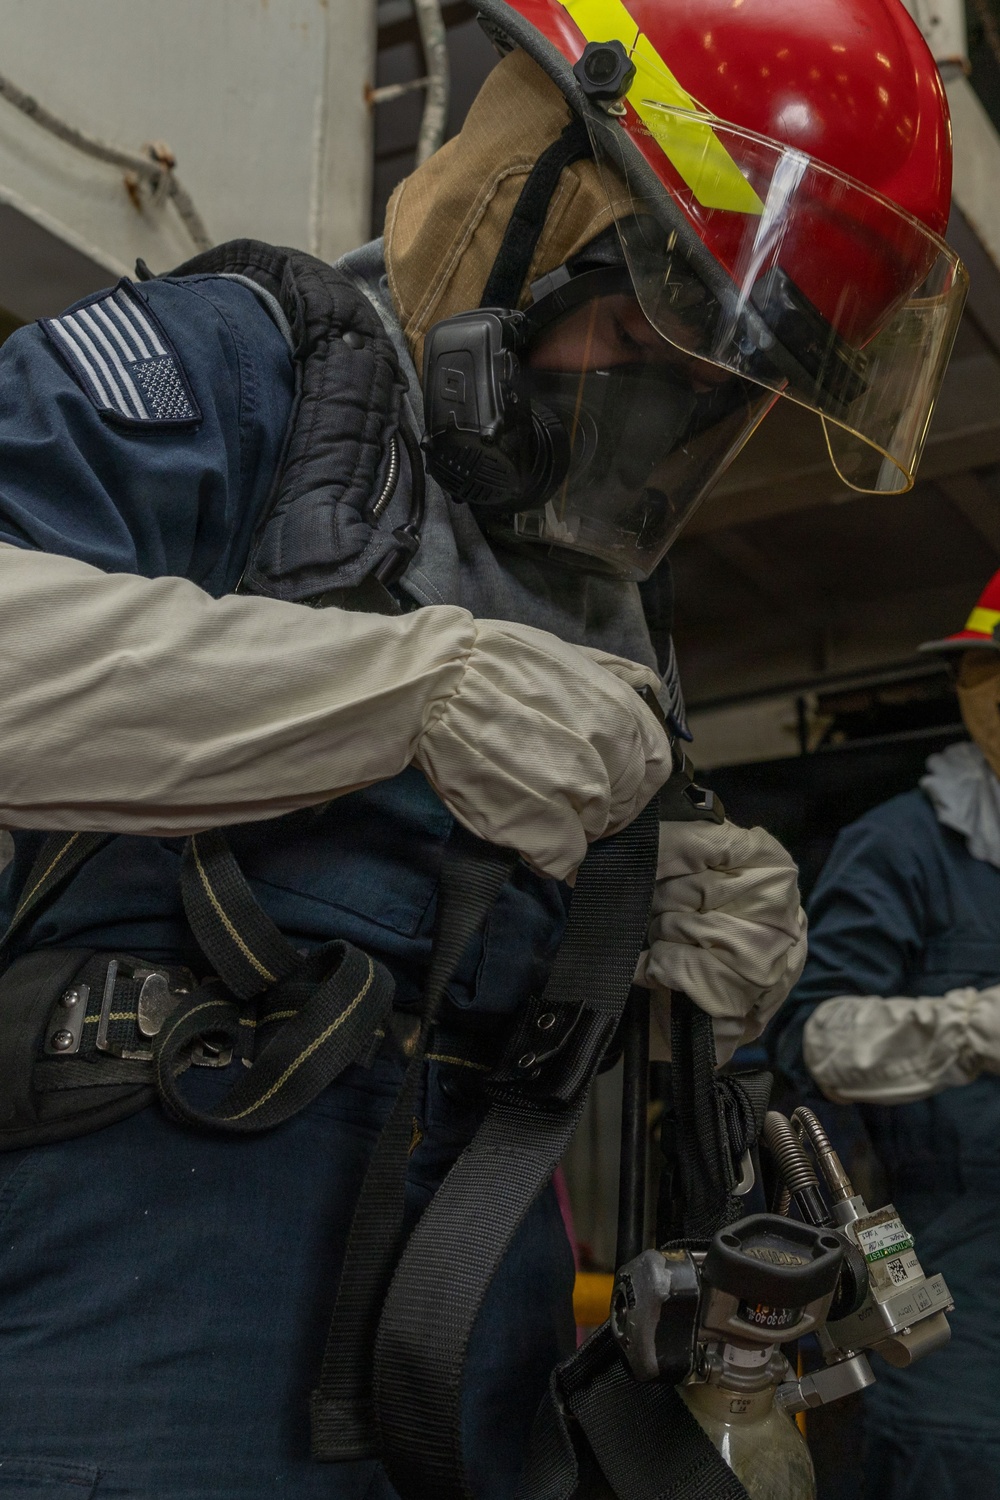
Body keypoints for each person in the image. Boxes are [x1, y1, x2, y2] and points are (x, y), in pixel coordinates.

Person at [0, 1, 962, 1496]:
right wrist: (397, 695)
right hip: (158, 1254)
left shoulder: (603, 604)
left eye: (720, 390)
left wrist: (655, 906)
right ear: (525, 199)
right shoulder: (242, 368)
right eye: (655, 333)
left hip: (472, 1304)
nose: (659, 421)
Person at [771, 569, 1000, 1499]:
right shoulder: (904, 844)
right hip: (956, 1279)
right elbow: (810, 1037)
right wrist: (981, 1024)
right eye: (983, 673)